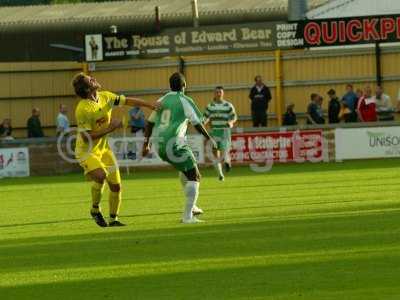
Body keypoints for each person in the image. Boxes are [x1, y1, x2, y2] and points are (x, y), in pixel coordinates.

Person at [72, 72, 157, 227]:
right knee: (100, 175)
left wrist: (149, 104)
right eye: (89, 79)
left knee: (116, 186)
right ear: (86, 89)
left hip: (104, 150)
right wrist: (110, 128)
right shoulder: (82, 109)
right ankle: (95, 209)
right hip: (86, 151)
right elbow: (86, 137)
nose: (93, 78)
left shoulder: (106, 97)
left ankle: (113, 219)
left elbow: (127, 100)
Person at [142, 72, 217, 224]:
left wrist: (146, 143)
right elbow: (197, 122)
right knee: (195, 176)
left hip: (160, 145)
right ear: (184, 86)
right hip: (175, 144)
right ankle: (188, 216)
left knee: (186, 171)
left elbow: (149, 123)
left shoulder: (162, 100)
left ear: (170, 86)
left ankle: (192, 206)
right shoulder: (184, 100)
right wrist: (210, 139)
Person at [204, 86, 237, 181]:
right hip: (214, 131)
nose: (218, 94)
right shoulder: (210, 106)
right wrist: (203, 123)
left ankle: (227, 162)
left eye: (220, 92)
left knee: (225, 150)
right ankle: (220, 174)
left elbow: (234, 116)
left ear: (223, 93)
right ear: (214, 94)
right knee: (216, 154)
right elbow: (205, 118)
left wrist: (231, 122)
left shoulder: (228, 105)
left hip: (225, 131)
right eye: (217, 92)